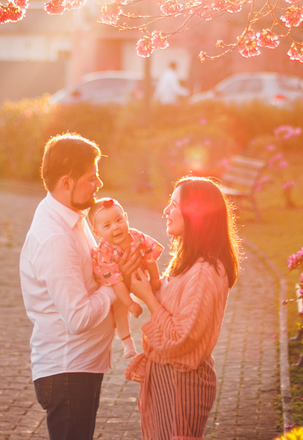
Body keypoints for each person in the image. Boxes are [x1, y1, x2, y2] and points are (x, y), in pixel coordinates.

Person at [19, 133, 143, 440]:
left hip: (78, 369)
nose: (99, 184)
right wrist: (117, 283)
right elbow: (77, 318)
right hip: (67, 372)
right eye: (91, 178)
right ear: (67, 182)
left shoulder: (72, 216)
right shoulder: (55, 238)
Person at [125, 176, 240, 440]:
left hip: (182, 385)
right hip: (169, 380)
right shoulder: (191, 261)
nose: (166, 210)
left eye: (174, 204)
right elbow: (175, 308)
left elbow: (181, 336)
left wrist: (148, 297)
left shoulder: (203, 272)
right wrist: (148, 285)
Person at [87, 197, 164, 358]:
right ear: (97, 233)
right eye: (107, 226)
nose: (116, 227)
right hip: (119, 287)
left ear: (126, 218)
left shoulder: (136, 237)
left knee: (161, 295)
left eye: (118, 220)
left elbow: (150, 258)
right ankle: (127, 342)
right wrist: (130, 304)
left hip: (142, 278)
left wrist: (155, 279)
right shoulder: (104, 254)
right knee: (120, 312)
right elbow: (115, 282)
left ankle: (163, 328)